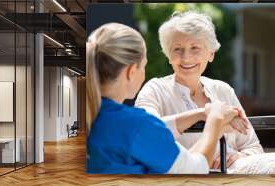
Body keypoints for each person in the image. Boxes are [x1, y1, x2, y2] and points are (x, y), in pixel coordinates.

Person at [86, 22, 247, 174]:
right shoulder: (136, 124)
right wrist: (215, 119)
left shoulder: (91, 116)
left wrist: (199, 114)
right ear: (131, 71)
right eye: (144, 66)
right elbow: (196, 168)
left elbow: (150, 131)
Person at [135, 11, 264, 171]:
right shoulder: (154, 90)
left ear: (211, 54)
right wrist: (209, 115)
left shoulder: (223, 90)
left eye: (194, 48)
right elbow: (145, 135)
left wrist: (239, 157)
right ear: (168, 55)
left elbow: (253, 147)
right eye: (177, 49)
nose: (186, 57)